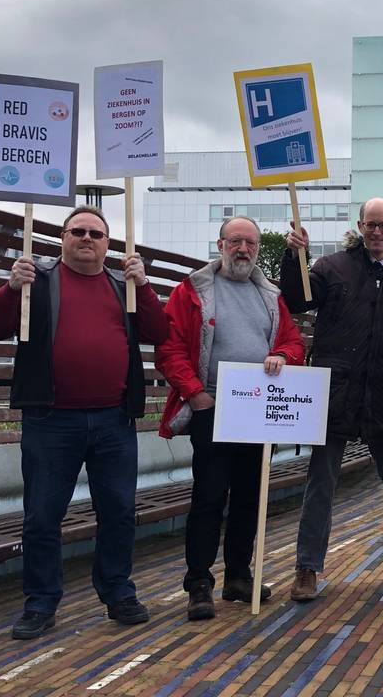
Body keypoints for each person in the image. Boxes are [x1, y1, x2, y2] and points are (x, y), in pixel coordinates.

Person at [0, 204, 168, 640]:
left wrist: (144, 283)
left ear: (109, 244)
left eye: (96, 234)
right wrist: (10, 288)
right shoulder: (37, 281)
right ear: (62, 238)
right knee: (43, 516)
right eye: (78, 231)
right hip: (51, 421)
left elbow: (159, 333)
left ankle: (118, 592)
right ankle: (41, 602)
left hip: (113, 420)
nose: (87, 239)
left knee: (119, 512)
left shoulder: (124, 286)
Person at [279, 198, 383, 601]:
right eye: (370, 225)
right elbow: (296, 299)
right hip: (336, 390)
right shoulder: (331, 268)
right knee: (321, 483)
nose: (377, 232)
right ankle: (307, 568)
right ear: (360, 225)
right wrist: (294, 257)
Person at [155, 216, 305, 621]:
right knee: (208, 498)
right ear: (220, 244)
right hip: (214, 409)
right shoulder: (192, 291)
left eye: (251, 243)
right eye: (235, 241)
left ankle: (239, 574)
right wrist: (195, 393)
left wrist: (283, 356)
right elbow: (170, 349)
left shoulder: (270, 295)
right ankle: (199, 582)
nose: (243, 249)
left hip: (258, 410)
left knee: (249, 498)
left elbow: (292, 340)